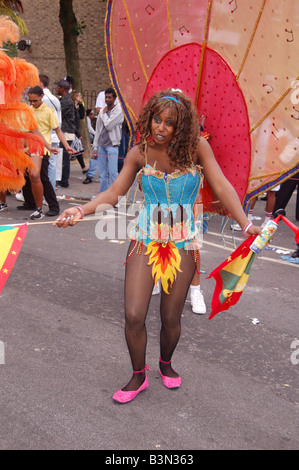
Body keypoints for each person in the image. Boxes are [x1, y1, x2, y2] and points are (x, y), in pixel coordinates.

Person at [55, 89, 261, 404]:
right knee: (134, 314)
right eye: (156, 120)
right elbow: (113, 193)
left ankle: (165, 362)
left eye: (169, 123)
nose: (160, 128)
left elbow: (221, 185)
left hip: (183, 242)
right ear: (149, 118)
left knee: (170, 317)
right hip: (145, 238)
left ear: (182, 128)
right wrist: (81, 210)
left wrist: (246, 225)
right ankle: (139, 375)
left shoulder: (197, 148)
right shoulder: (140, 152)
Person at [22, 86, 74, 219]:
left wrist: (66, 146)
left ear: (41, 97)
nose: (32, 103)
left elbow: (57, 130)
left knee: (41, 177)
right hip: (29, 147)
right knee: (28, 176)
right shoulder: (29, 111)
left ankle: (53, 206)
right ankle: (30, 203)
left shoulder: (49, 112)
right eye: (30, 101)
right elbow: (28, 131)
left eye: (35, 100)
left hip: (42, 148)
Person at [83, 87, 124, 191]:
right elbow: (98, 129)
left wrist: (104, 113)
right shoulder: (102, 111)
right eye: (106, 97)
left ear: (114, 99)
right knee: (102, 174)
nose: (107, 100)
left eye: (109, 97)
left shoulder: (118, 111)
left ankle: (114, 196)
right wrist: (95, 147)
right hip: (101, 145)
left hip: (112, 145)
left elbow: (109, 125)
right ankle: (103, 195)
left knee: (113, 173)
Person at [39, 74, 61, 190]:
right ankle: (50, 191)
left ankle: (44, 193)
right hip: (54, 137)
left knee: (43, 169)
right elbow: (58, 123)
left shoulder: (42, 99)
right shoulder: (55, 99)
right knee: (52, 167)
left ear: (41, 84)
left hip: (44, 137)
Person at [54, 79, 76, 188]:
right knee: (63, 157)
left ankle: (64, 180)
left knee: (64, 158)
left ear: (63, 89)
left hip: (66, 132)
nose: (57, 89)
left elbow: (58, 114)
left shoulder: (66, 101)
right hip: (66, 131)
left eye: (58, 87)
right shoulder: (64, 99)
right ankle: (62, 179)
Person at [71, 91, 88, 173]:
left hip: (75, 131)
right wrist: (77, 133)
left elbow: (81, 116)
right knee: (77, 149)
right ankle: (83, 167)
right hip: (72, 131)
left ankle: (83, 167)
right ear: (75, 96)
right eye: (79, 96)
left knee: (78, 149)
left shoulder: (76, 107)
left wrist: (81, 104)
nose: (80, 97)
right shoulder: (71, 107)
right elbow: (71, 121)